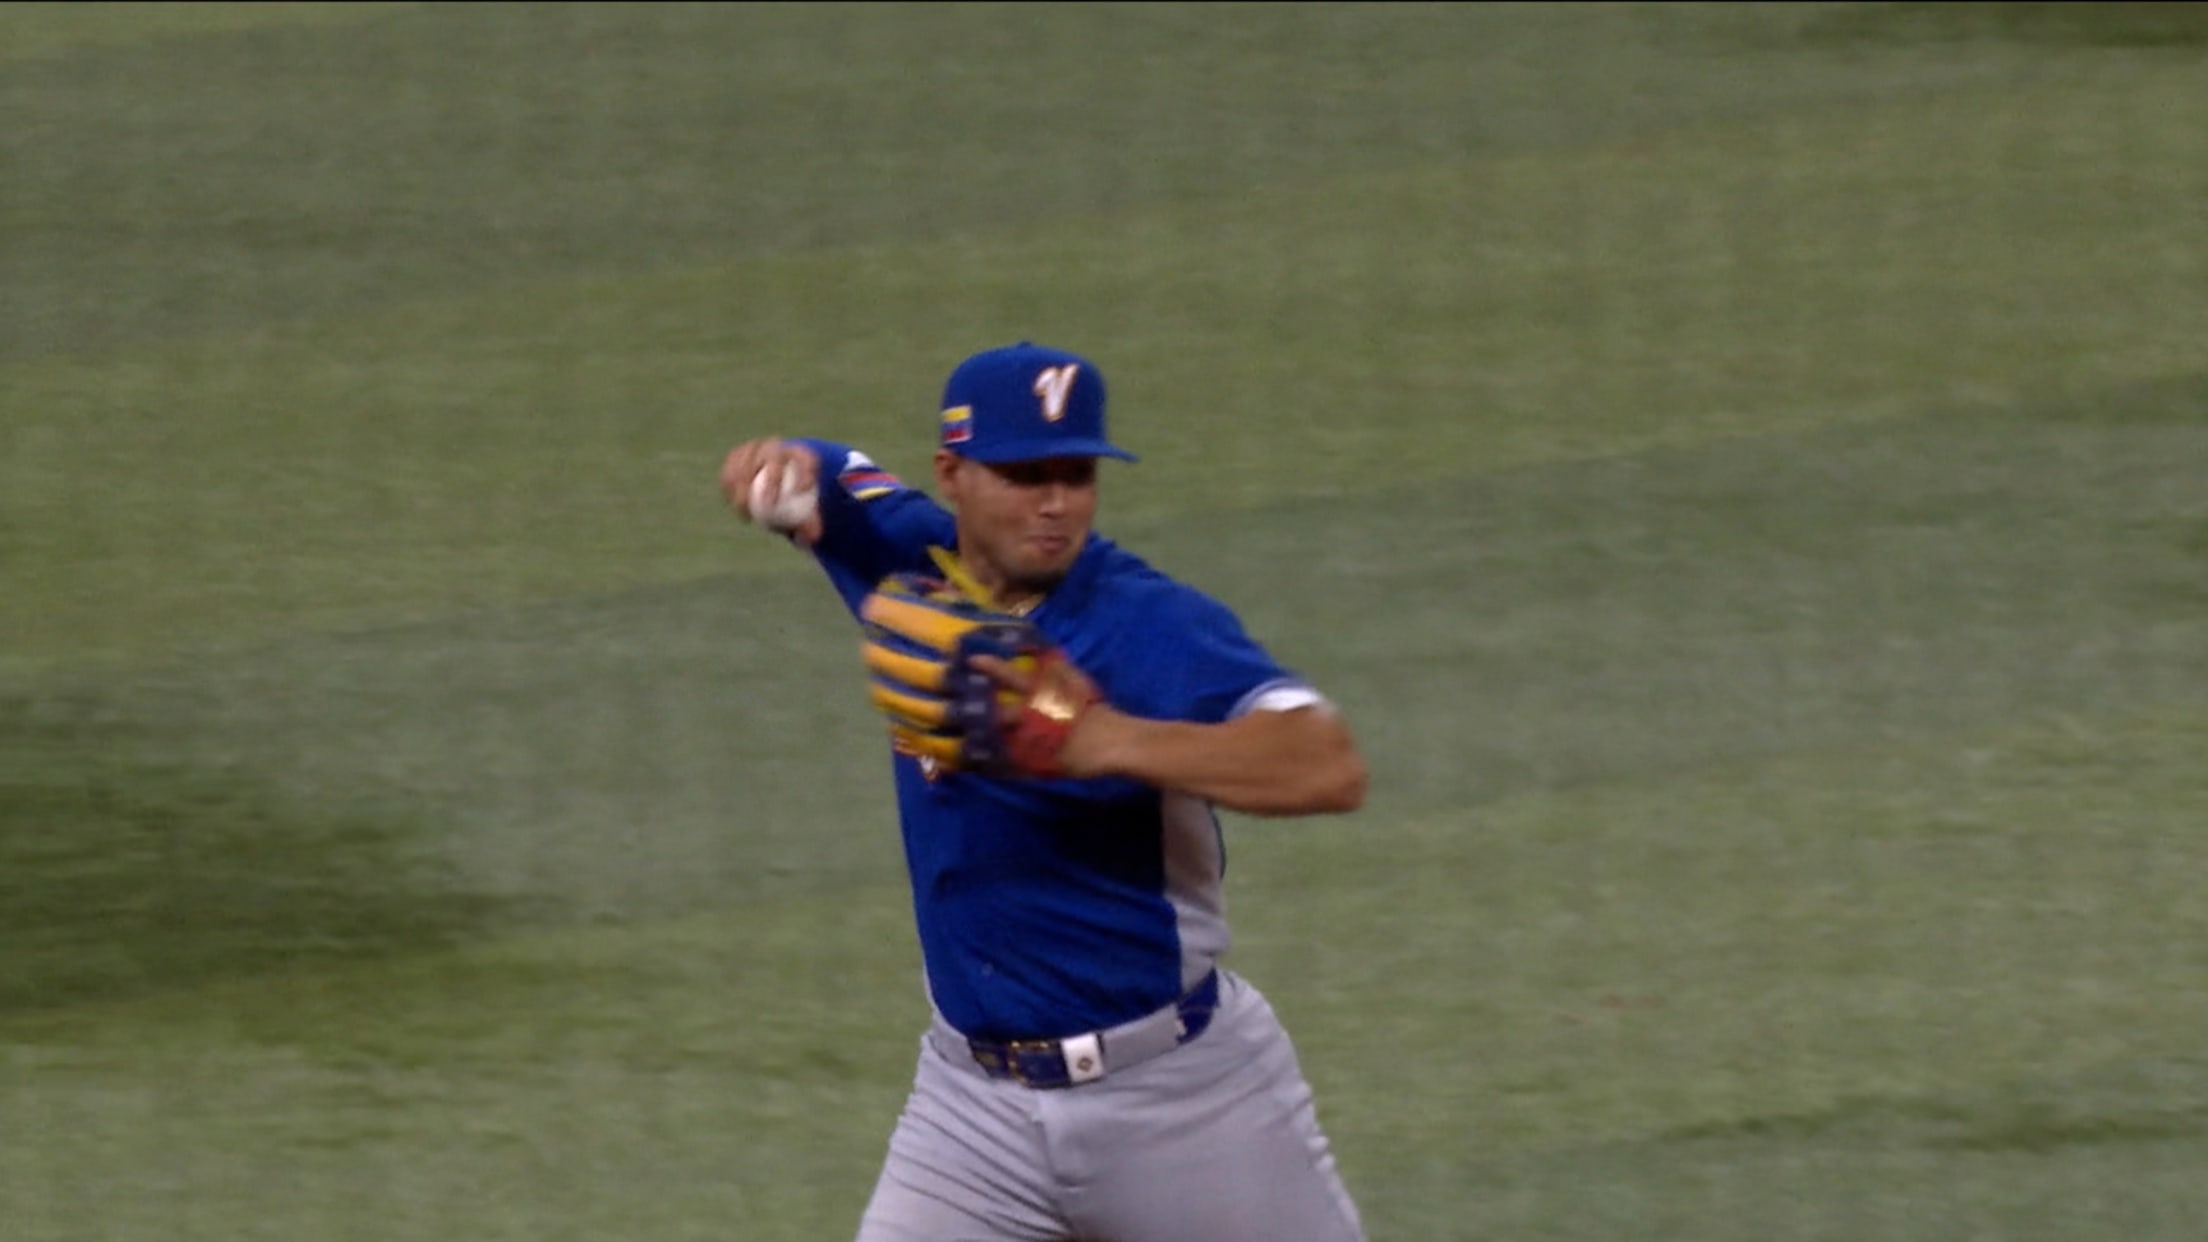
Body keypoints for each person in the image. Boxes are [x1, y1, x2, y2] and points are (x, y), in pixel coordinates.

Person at [719, 341, 1371, 1242]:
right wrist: (779, 475)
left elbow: (1327, 764)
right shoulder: (909, 560)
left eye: (1076, 474)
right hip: (969, 1116)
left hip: (1182, 1102)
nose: (1056, 501)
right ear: (953, 475)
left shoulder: (1147, 621)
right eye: (1025, 475)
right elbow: (830, 478)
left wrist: (1102, 739)